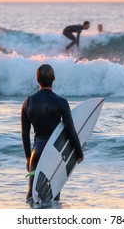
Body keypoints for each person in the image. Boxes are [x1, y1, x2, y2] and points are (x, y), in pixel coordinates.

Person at [21, 64, 84, 204]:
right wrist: (79, 153)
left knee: (32, 196)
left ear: (37, 80)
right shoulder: (61, 102)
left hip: (36, 153)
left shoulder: (28, 102)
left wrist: (27, 157)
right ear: (54, 78)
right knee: (52, 196)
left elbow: (25, 135)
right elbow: (70, 130)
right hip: (53, 152)